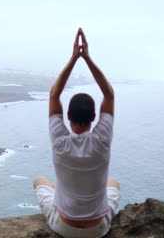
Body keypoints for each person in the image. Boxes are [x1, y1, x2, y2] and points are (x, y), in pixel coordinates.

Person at [33, 28, 120, 238]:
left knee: (38, 180)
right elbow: (109, 94)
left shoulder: (60, 141)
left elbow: (54, 94)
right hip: (98, 229)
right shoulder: (102, 141)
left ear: (68, 118)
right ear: (93, 118)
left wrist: (74, 58)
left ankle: (60, 196)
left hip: (64, 226)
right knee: (114, 183)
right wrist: (87, 58)